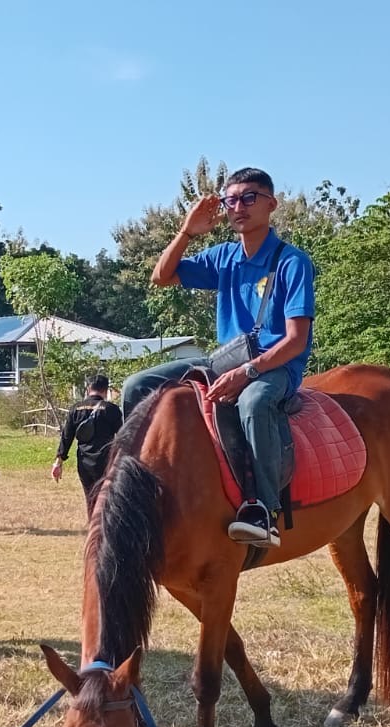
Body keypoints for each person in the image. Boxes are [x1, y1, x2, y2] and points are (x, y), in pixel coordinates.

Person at [123, 167, 315, 549]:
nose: (237, 207)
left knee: (255, 401)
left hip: (274, 367)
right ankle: (134, 488)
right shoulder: (224, 257)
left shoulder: (292, 263)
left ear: (271, 205)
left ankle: (263, 509)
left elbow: (295, 341)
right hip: (224, 361)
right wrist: (187, 232)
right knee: (136, 385)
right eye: (230, 200)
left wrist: (248, 372)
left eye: (248, 198)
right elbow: (161, 277)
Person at [52, 373, 124, 513]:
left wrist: (58, 462)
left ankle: (93, 527)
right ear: (105, 390)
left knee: (90, 498)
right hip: (106, 461)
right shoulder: (111, 409)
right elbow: (123, 436)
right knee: (106, 500)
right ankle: (104, 529)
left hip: (84, 462)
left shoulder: (76, 409)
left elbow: (66, 437)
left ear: (88, 388)